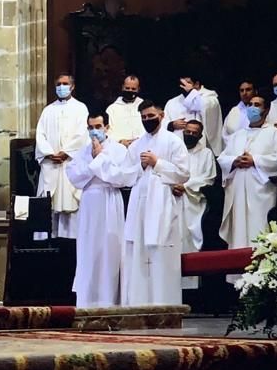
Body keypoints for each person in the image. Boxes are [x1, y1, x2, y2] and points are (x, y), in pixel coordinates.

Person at [108, 102, 189, 305]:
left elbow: (184, 173)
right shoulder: (136, 146)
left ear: (161, 115)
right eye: (143, 117)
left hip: (162, 204)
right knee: (138, 254)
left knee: (161, 254)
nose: (147, 120)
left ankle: (164, 305)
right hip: (139, 205)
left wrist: (157, 163)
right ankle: (138, 305)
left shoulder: (173, 142)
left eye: (150, 116)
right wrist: (140, 165)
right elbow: (124, 176)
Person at [65, 113, 125, 307]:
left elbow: (120, 177)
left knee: (110, 248)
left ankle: (109, 299)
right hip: (90, 201)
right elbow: (74, 176)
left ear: (107, 127)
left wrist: (99, 161)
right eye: (90, 127)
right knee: (88, 248)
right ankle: (87, 300)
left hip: (110, 200)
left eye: (98, 126)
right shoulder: (83, 151)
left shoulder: (119, 150)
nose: (94, 131)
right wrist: (95, 163)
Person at [218, 95, 277, 250]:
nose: (252, 108)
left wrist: (255, 160)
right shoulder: (238, 135)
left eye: (257, 105)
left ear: (266, 110)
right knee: (238, 234)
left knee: (259, 230)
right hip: (238, 192)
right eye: (250, 104)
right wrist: (235, 161)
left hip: (261, 194)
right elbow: (223, 158)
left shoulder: (273, 133)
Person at [33, 74, 88, 241]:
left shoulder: (80, 108)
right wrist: (49, 153)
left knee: (69, 201)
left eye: (65, 84)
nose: (61, 87)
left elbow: (82, 134)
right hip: (51, 164)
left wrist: (66, 153)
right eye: (58, 84)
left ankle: (70, 241)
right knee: (48, 203)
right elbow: (40, 134)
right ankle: (45, 242)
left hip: (69, 163)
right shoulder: (48, 110)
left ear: (72, 86)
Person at [177, 119, 216, 252]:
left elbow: (208, 178)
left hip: (194, 200)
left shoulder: (206, 153)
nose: (190, 135)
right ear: (183, 132)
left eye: (194, 133)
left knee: (189, 237)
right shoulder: (177, 150)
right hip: (174, 197)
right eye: (187, 132)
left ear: (200, 136)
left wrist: (185, 186)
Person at [163, 76, 223, 155]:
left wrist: (191, 93)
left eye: (188, 83)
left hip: (200, 147)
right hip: (177, 148)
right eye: (182, 84)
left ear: (197, 84)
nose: (184, 86)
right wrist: (172, 124)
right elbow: (163, 122)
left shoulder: (209, 98)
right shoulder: (172, 102)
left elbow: (203, 107)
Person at [106, 74, 144, 144]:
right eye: (127, 88)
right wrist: (120, 141)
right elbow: (108, 131)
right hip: (119, 147)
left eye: (133, 89)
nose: (130, 91)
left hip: (141, 145)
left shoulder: (144, 106)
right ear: (122, 87)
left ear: (138, 89)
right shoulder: (112, 109)